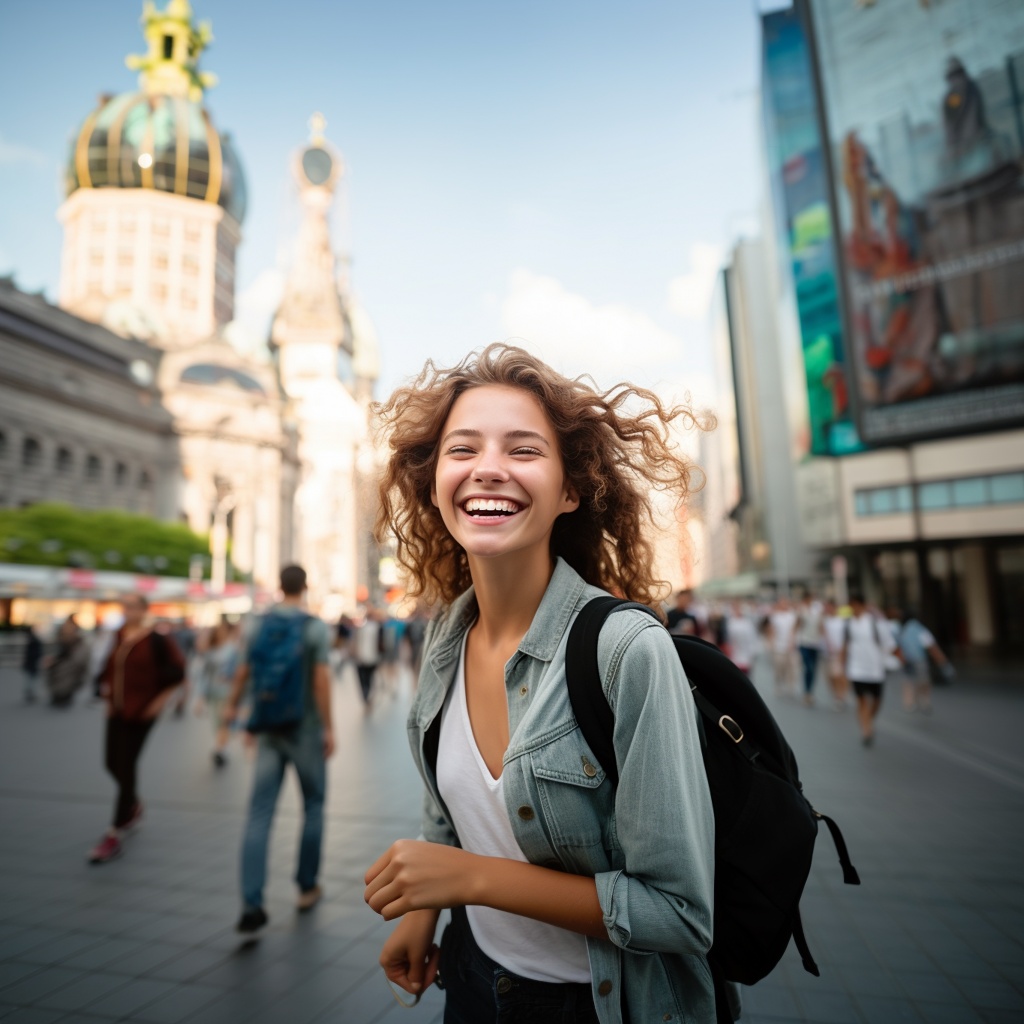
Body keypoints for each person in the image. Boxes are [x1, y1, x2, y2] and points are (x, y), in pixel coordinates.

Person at [363, 346, 715, 1023]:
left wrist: (470, 879)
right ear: (434, 483)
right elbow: (447, 813)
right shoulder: (444, 638)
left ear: (570, 490)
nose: (488, 468)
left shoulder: (628, 652)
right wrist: (424, 914)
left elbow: (678, 913)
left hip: (597, 1006)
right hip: (469, 979)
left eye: (523, 450)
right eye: (462, 449)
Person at [223, 564, 334, 936]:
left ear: (279, 586)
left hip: (269, 728)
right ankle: (306, 886)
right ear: (305, 587)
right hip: (305, 729)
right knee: (313, 805)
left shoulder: (257, 624)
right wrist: (329, 726)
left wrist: (233, 709)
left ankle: (251, 903)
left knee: (259, 813)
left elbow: (243, 672)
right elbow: (321, 681)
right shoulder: (314, 627)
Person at [89, 595, 185, 864]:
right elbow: (109, 670)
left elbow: (178, 673)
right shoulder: (119, 636)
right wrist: (108, 698)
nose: (127, 611)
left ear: (144, 610)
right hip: (117, 711)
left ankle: (114, 832)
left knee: (126, 765)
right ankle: (132, 803)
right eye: (125, 607)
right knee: (111, 763)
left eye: (132, 607)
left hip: (141, 713)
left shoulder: (156, 640)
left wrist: (159, 703)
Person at [843, 594, 897, 747]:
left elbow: (889, 644)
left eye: (856, 605)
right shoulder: (848, 624)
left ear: (862, 605)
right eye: (851, 606)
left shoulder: (875, 623)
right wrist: (842, 664)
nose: (854, 609)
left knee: (877, 700)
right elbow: (845, 645)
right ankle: (866, 730)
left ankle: (868, 719)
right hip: (856, 669)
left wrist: (895, 658)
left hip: (875, 669)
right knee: (861, 700)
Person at [897, 609, 953, 713]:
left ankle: (909, 703)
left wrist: (901, 658)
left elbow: (897, 646)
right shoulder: (919, 629)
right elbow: (931, 646)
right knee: (923, 680)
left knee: (908, 681)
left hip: (906, 660)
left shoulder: (902, 630)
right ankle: (924, 701)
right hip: (919, 659)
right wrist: (943, 662)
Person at [46, 615, 90, 707]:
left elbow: (80, 661)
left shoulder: (78, 642)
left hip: (68, 669)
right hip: (61, 668)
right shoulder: (63, 638)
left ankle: (62, 698)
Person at [795, 594, 824, 707]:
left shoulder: (817, 610)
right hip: (804, 642)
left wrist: (826, 641)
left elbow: (821, 626)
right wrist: (792, 639)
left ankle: (810, 691)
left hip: (815, 643)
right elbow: (797, 625)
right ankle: (807, 692)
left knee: (813, 669)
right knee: (808, 667)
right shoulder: (801, 610)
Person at [821, 599, 849, 710]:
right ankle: (836, 695)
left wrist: (843, 651)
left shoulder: (842, 621)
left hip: (839, 653)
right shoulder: (825, 621)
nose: (827, 609)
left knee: (838, 675)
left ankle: (840, 696)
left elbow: (846, 637)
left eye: (829, 607)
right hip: (827, 653)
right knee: (830, 677)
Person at [768, 597, 798, 697]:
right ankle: (779, 684)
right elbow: (772, 630)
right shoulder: (775, 616)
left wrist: (792, 642)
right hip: (778, 646)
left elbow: (793, 630)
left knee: (791, 667)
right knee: (779, 667)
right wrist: (771, 643)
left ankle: (790, 685)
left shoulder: (792, 615)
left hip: (790, 646)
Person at [353, 609, 383, 709]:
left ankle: (366, 695)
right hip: (366, 658)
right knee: (367, 679)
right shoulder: (366, 627)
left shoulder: (375, 628)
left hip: (368, 658)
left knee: (366, 679)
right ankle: (366, 695)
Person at [724, 601, 758, 676]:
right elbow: (727, 638)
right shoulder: (730, 622)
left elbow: (752, 638)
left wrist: (752, 653)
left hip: (746, 655)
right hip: (734, 655)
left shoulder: (747, 623)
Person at [21, 624, 43, 703]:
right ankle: (30, 694)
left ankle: (30, 694)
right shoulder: (33, 640)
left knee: (31, 679)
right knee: (31, 679)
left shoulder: (32, 640)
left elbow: (31, 653)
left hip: (32, 662)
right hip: (32, 663)